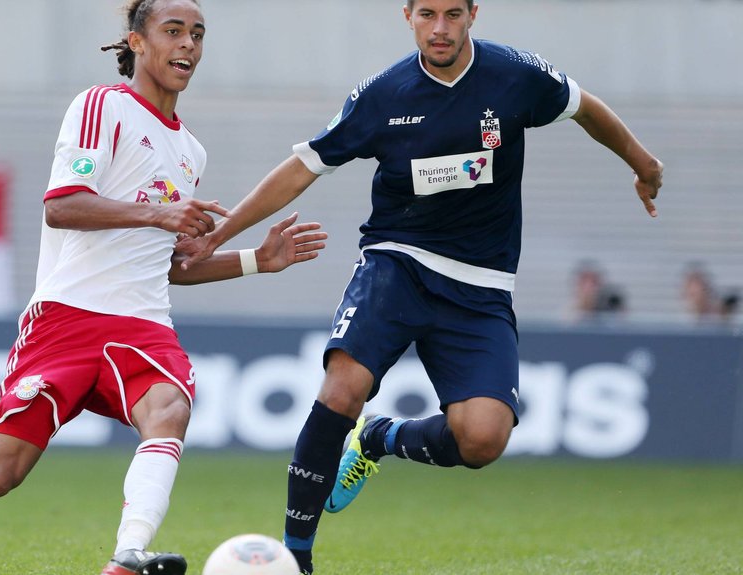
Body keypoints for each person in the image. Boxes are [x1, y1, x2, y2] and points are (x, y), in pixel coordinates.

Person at [0, 1, 328, 575]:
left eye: (197, 35)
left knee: (170, 408)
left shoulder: (190, 151)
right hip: (66, 319)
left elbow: (169, 266)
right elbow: (64, 206)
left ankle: (127, 556)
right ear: (135, 41)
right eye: (173, 31)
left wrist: (258, 259)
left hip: (142, 324)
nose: (187, 46)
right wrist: (159, 215)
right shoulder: (101, 106)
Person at [177, 1, 663, 572]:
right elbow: (302, 167)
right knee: (341, 388)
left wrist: (643, 162)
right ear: (406, 15)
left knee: (482, 439)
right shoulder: (384, 95)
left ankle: (380, 437)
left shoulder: (516, 76)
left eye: (452, 13)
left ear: (473, 14)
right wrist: (220, 234)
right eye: (427, 13)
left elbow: (586, 108)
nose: (440, 28)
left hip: (481, 286)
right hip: (397, 263)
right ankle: (297, 556)